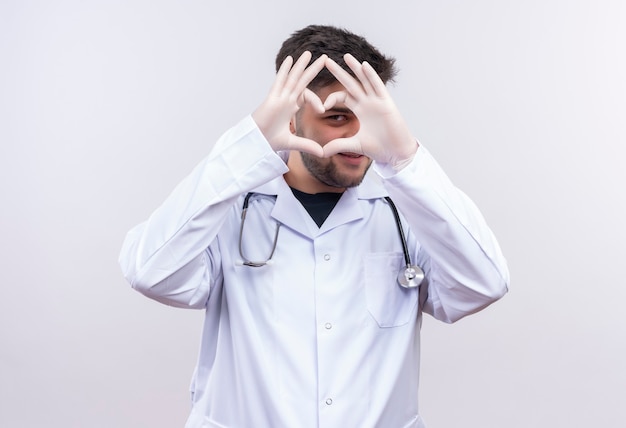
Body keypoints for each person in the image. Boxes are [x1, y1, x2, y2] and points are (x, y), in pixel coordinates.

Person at [119, 24, 509, 428]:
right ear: (290, 120)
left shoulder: (407, 216)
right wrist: (247, 146)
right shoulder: (228, 213)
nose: (359, 136)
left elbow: (484, 284)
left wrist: (406, 160)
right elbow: (150, 272)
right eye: (337, 117)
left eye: (371, 118)